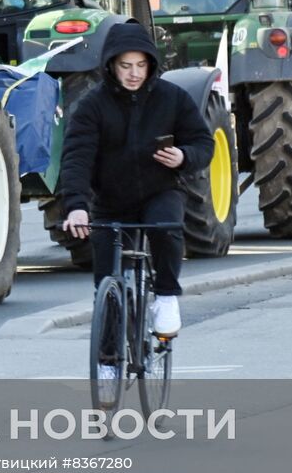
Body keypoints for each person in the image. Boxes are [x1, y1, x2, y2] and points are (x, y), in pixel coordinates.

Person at [58, 22, 213, 372]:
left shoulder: (172, 98)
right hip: (111, 199)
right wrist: (77, 207)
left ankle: (167, 297)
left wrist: (184, 156)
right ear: (111, 65)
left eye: (140, 65)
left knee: (166, 226)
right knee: (107, 285)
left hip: (160, 190)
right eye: (125, 66)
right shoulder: (92, 105)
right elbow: (76, 157)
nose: (133, 74)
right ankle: (109, 360)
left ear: (151, 65)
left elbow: (205, 143)